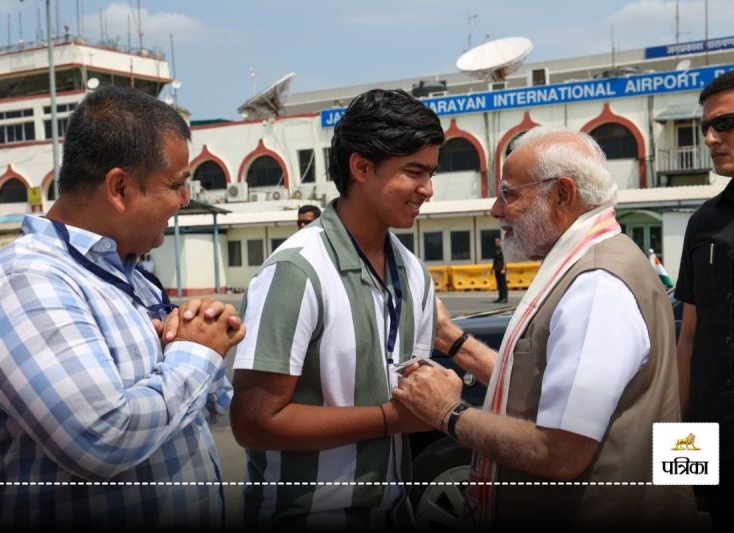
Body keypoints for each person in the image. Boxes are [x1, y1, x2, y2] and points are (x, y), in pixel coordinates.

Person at [0, 86, 245, 529]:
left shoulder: (130, 277)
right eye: (175, 184)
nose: (184, 200)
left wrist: (203, 335)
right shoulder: (25, 279)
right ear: (119, 188)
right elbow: (102, 438)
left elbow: (202, 407)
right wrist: (197, 353)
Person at [393, 126, 696, 529]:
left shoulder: (596, 286)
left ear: (562, 195)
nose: (496, 210)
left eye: (509, 194)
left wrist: (447, 412)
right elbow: (538, 386)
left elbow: (562, 452)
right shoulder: (596, 261)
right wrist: (452, 338)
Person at [230, 89, 444, 530]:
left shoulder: (414, 273)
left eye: (431, 172)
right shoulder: (297, 271)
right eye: (414, 172)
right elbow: (253, 423)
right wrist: (388, 420)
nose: (427, 189)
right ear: (361, 167)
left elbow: (413, 390)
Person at [676, 69, 734, 530]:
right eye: (706, 128)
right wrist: (678, 458)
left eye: (726, 124)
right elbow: (690, 340)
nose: (712, 138)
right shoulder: (704, 224)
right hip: (719, 440)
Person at [491, 236, 508, 303]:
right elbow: (494, 260)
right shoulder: (495, 250)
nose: (497, 243)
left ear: (500, 242)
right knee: (499, 284)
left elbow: (505, 259)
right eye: (496, 242)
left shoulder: (503, 249)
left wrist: (503, 268)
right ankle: (500, 297)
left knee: (503, 284)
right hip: (496, 268)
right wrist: (492, 269)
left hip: (501, 268)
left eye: (498, 241)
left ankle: (505, 298)